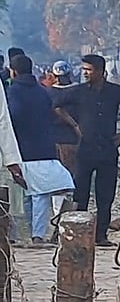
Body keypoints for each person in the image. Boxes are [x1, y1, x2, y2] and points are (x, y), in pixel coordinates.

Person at [53, 54, 120, 246]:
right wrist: (74, 125)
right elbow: (56, 105)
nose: (85, 73)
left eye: (89, 70)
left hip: (108, 149)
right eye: (84, 70)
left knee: (105, 195)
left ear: (100, 71)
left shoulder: (115, 91)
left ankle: (101, 236)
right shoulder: (78, 91)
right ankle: (80, 235)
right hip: (86, 149)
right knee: (80, 194)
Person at [5, 55, 73, 242]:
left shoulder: (12, 92)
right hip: (45, 147)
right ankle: (37, 234)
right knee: (40, 193)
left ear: (14, 71)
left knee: (26, 193)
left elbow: (13, 116)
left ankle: (29, 234)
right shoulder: (43, 92)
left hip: (21, 149)